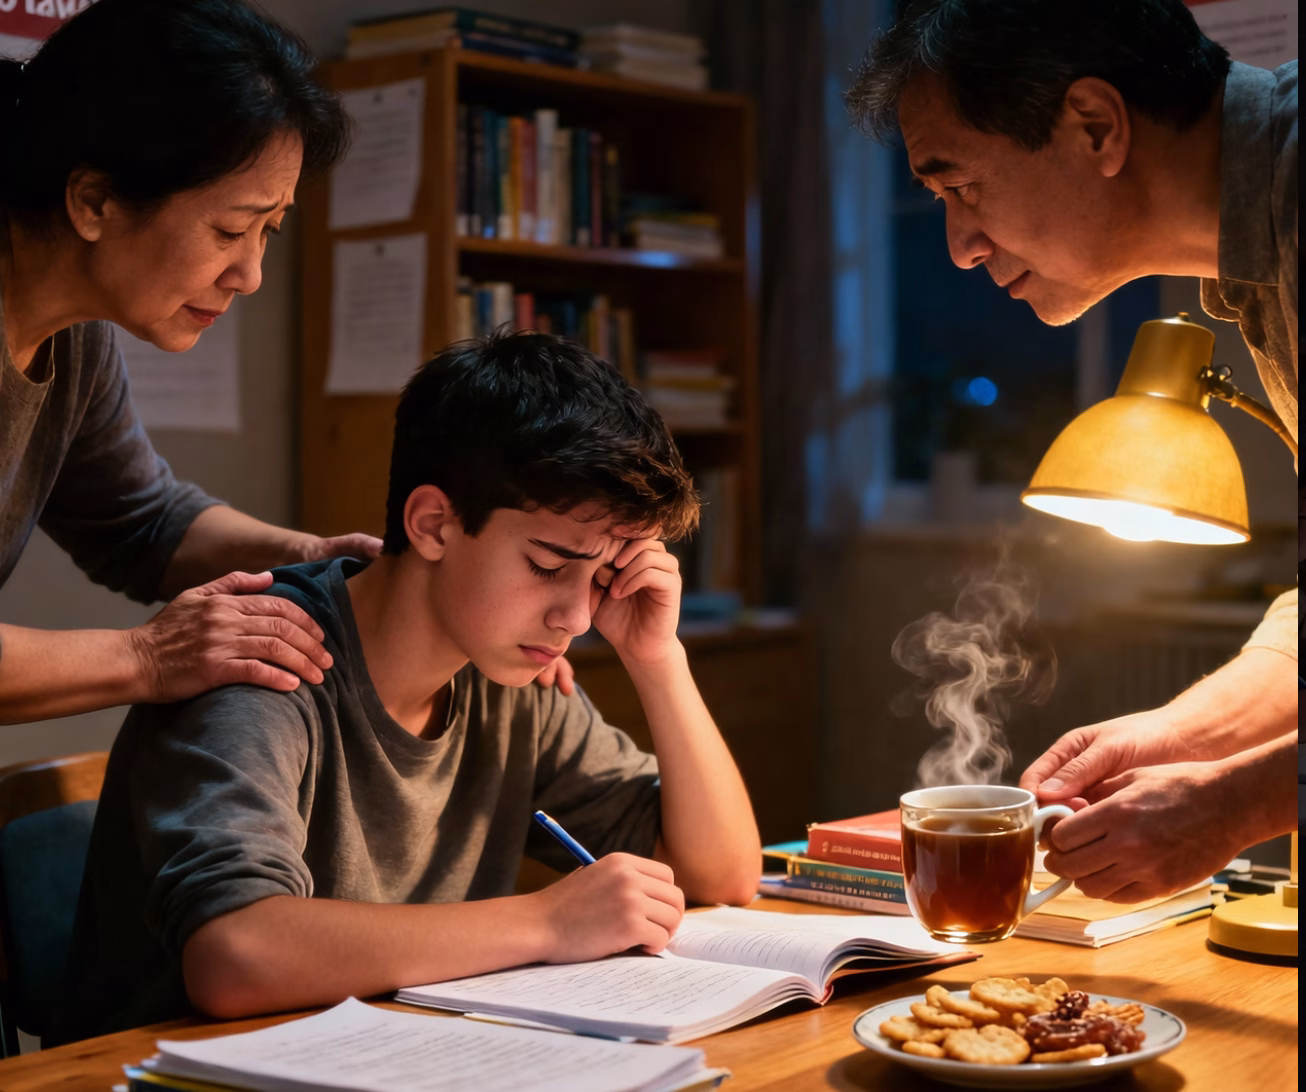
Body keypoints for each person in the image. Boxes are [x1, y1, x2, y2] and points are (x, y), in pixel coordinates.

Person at [50, 330, 762, 1043]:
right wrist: (547, 920)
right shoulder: (259, 658)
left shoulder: (508, 671)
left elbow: (723, 874)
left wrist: (657, 659)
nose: (577, 617)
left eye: (602, 576)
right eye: (549, 565)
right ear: (432, 524)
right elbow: (234, 954)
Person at [845, 0, 1297, 901]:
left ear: (1096, 125)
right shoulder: (1257, 266)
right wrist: (1184, 736)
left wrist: (1232, 805)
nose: (961, 248)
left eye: (962, 186)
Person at [0, 0, 558, 729]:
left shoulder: (76, 340)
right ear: (94, 200)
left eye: (269, 229)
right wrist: (151, 657)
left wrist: (320, 564)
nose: (250, 274)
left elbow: (142, 523)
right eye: (230, 228)